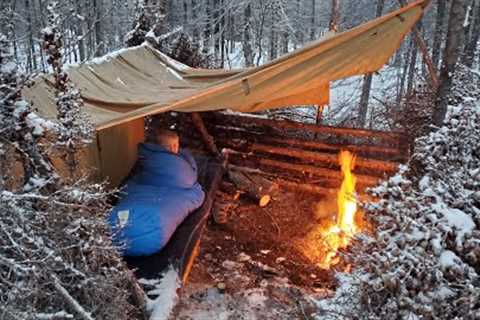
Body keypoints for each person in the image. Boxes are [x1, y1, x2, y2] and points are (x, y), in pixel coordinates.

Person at [108, 127, 205, 259]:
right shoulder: (177, 166)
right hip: (154, 221)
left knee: (132, 200)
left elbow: (140, 178)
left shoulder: (149, 156)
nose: (176, 149)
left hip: (136, 206)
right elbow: (188, 183)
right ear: (171, 147)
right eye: (174, 146)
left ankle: (122, 222)